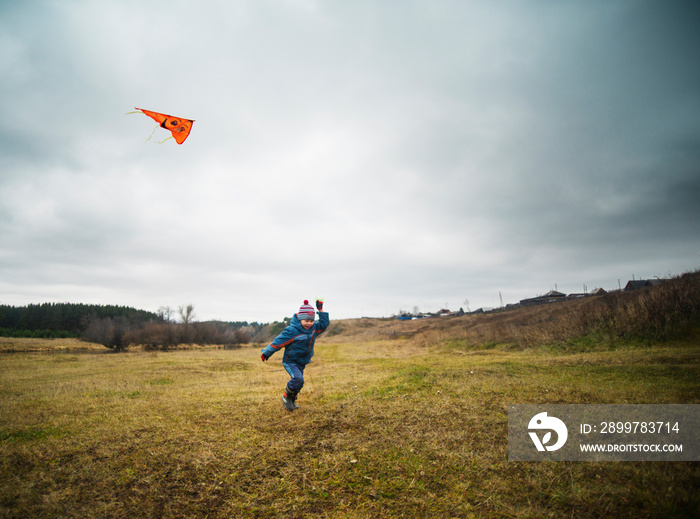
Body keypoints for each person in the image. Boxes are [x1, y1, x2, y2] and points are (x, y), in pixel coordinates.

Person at [260, 299, 329, 411]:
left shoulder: (313, 329)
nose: (309, 324)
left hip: (302, 361)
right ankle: (286, 396)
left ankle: (292, 400)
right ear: (300, 319)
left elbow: (324, 324)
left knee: (299, 382)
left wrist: (320, 310)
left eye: (311, 321)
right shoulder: (292, 331)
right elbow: (278, 342)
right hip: (290, 361)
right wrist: (266, 353)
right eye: (306, 321)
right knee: (298, 379)